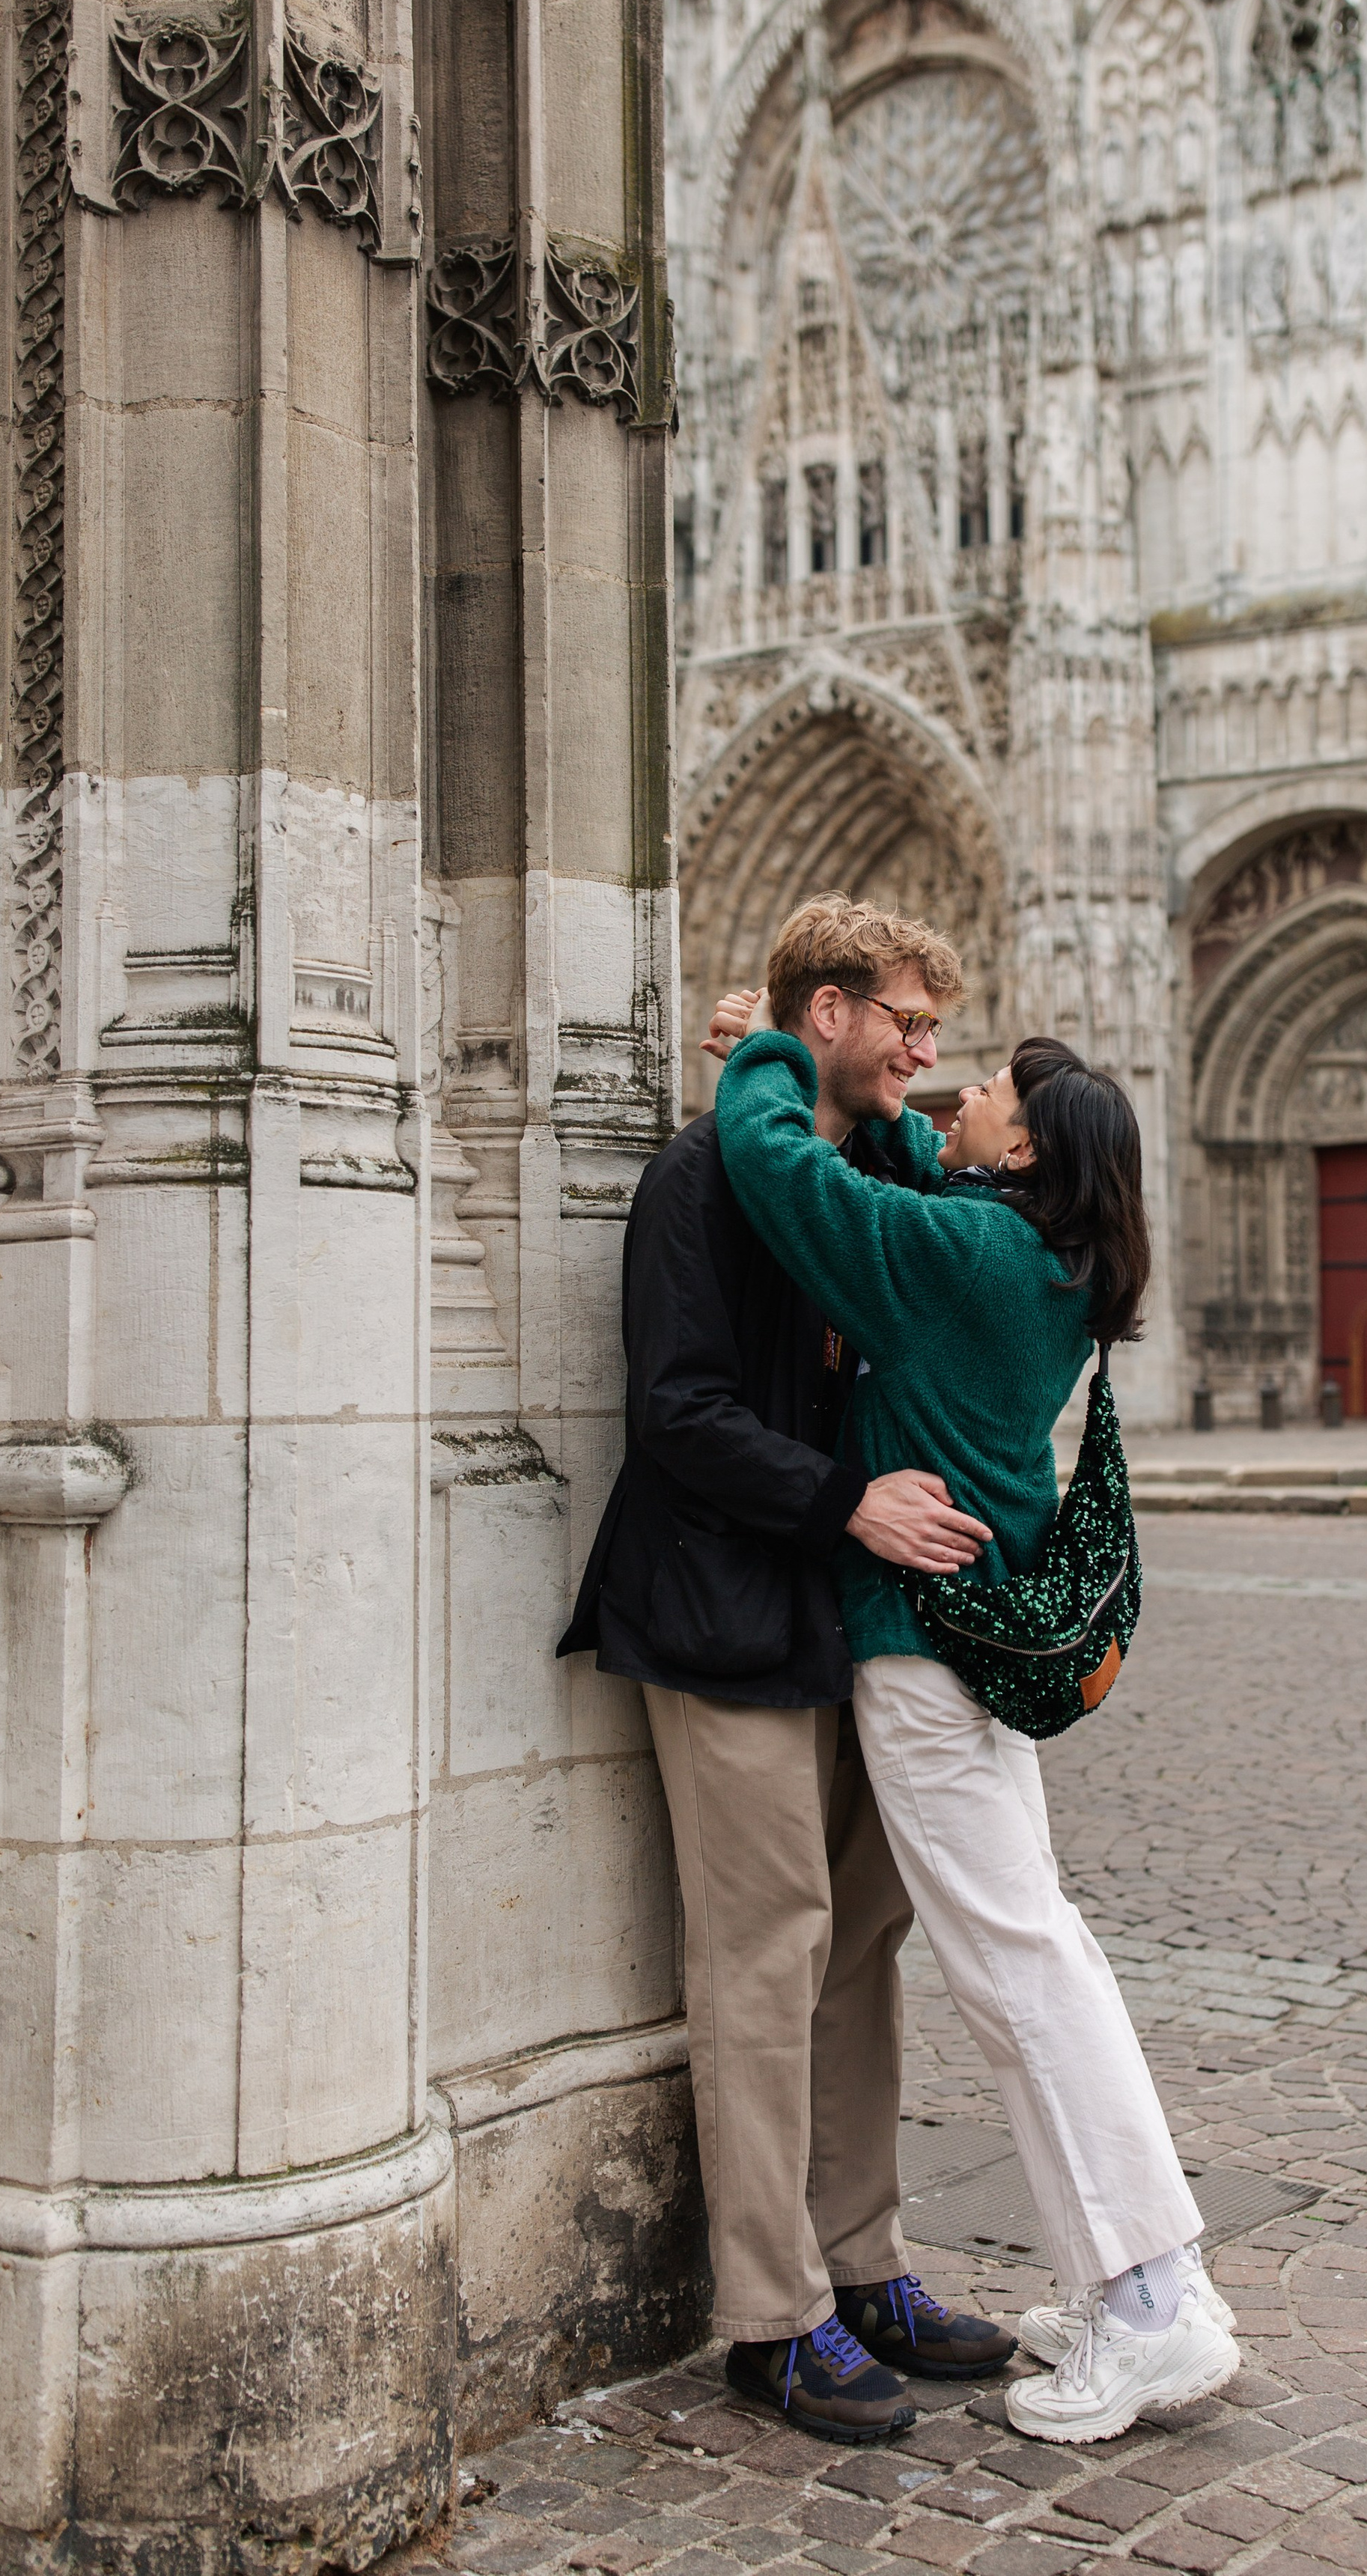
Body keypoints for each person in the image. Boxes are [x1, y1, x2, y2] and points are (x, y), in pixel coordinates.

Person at [707, 992, 1242, 2446]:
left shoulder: (960, 1257)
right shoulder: (1046, 1266)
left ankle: (1141, 2313)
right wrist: (887, 1106)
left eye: (988, 1089)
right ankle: (1154, 2282)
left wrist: (774, 1055)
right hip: (983, 1655)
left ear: (1031, 1150)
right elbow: (905, 1172)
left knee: (1015, 1981)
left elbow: (782, 1173)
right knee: (1041, 1952)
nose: (958, 1095)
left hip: (923, 1666)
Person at [559, 895, 1016, 2446]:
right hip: (722, 1605)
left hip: (846, 1613)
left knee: (860, 1945)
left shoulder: (866, 1173)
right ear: (821, 1017)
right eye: (902, 1019)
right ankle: (774, 2315)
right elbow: (677, 1412)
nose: (926, 1050)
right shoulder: (700, 1181)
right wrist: (845, 1500)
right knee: (765, 1951)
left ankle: (866, 2261)